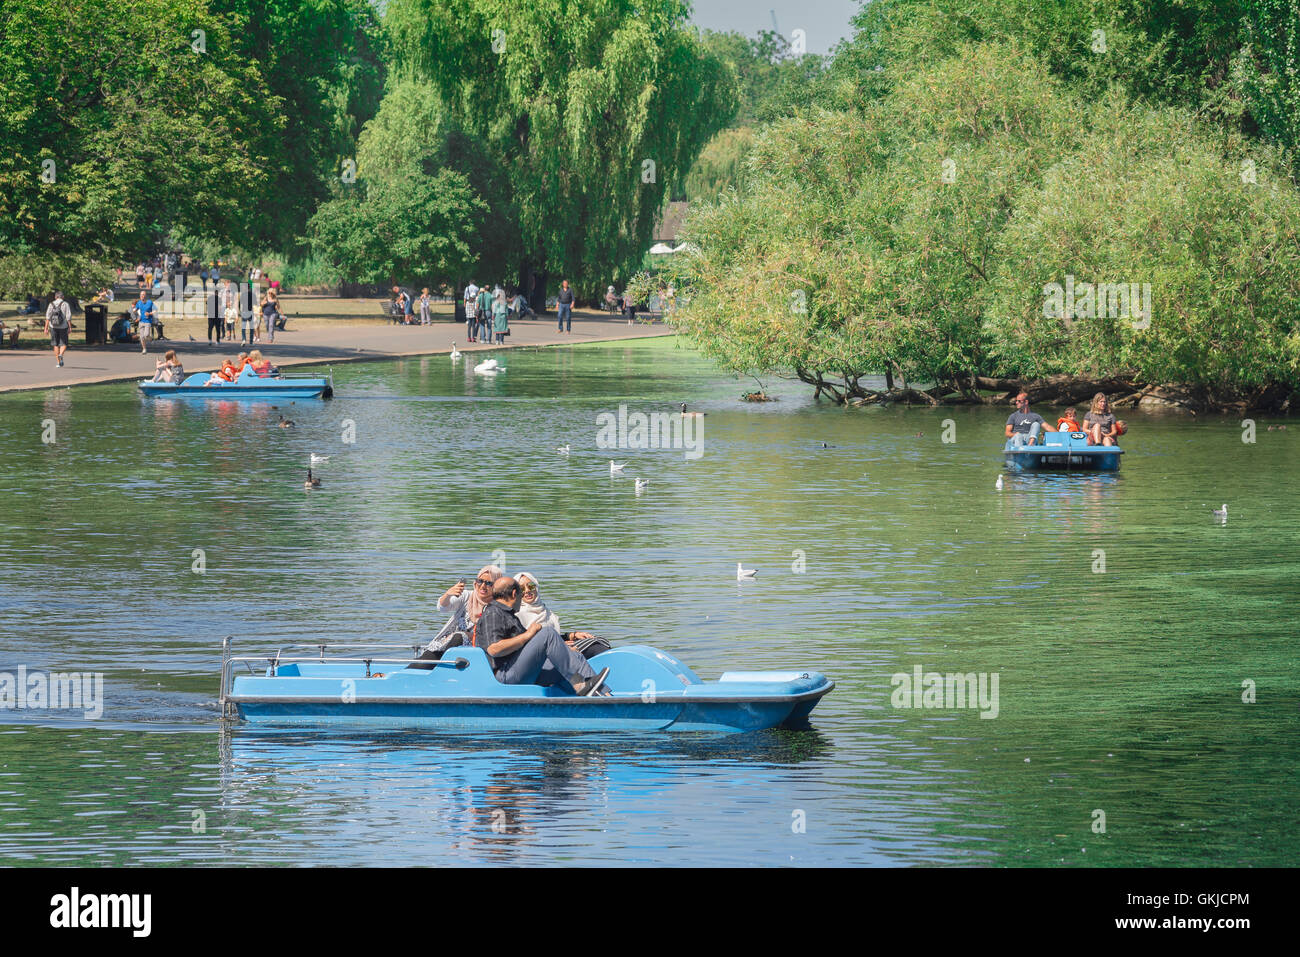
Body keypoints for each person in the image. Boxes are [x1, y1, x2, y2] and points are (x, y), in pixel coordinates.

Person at [475, 577, 609, 696]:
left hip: (522, 671)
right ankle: (580, 686)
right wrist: (528, 634)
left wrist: (564, 650)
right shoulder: (493, 613)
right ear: (515, 594)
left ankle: (603, 695)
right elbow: (494, 649)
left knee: (575, 656)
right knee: (548, 633)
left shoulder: (509, 616)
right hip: (505, 676)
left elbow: (529, 648)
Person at [45, 291, 71, 368]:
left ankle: (58, 362)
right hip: (63, 326)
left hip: (53, 326)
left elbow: (47, 317)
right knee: (64, 343)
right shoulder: (65, 304)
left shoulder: (51, 304)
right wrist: (70, 327)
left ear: (55, 297)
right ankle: (61, 354)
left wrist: (45, 328)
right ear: (62, 297)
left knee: (55, 344)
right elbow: (68, 317)